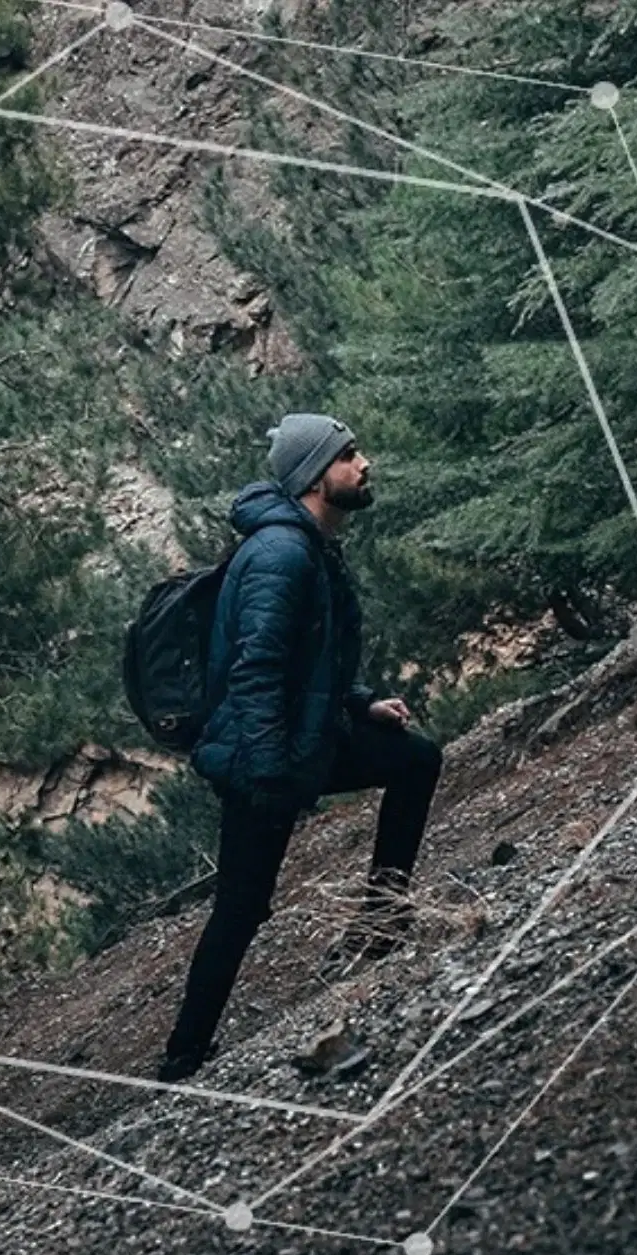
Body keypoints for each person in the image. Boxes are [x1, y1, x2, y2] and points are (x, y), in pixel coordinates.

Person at [158, 412, 444, 1083]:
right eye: (349, 455)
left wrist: (360, 704)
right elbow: (256, 670)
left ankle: (383, 920)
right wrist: (267, 776)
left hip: (302, 740)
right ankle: (182, 1058)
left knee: (415, 759)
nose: (364, 464)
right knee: (241, 907)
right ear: (316, 477)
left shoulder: (310, 545)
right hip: (263, 756)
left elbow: (312, 660)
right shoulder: (281, 555)